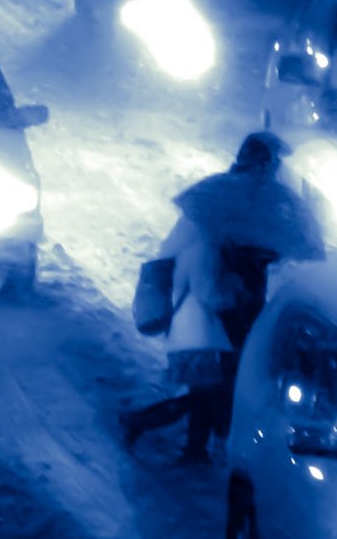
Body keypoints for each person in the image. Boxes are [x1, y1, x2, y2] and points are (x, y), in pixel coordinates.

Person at [121, 132, 325, 460]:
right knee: (218, 384)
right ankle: (187, 439)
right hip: (216, 312)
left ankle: (202, 441)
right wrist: (235, 285)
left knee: (221, 384)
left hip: (235, 309)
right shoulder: (234, 207)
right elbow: (200, 274)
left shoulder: (226, 201)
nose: (272, 168)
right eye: (270, 160)